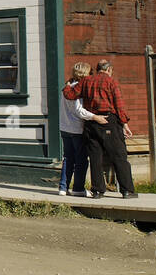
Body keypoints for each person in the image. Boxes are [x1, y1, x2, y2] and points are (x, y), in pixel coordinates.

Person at [66, 59, 138, 199]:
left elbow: (70, 95)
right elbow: (119, 105)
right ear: (109, 69)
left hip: (91, 122)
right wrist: (125, 123)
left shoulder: (86, 81)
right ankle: (127, 190)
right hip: (109, 120)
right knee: (119, 155)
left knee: (95, 157)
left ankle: (98, 191)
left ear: (98, 68)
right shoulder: (111, 82)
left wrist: (67, 86)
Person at [59, 62, 107, 196]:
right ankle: (78, 188)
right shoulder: (78, 89)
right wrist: (95, 117)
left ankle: (63, 187)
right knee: (81, 160)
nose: (91, 76)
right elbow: (79, 111)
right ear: (85, 74)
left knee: (68, 158)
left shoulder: (66, 87)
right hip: (77, 129)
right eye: (90, 73)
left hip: (64, 127)